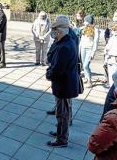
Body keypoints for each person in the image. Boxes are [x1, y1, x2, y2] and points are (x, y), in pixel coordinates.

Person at [45, 15, 79, 147]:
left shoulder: (64, 46)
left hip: (64, 85)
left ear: (59, 31)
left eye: (54, 29)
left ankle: (62, 139)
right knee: (65, 111)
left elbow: (57, 69)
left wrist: (49, 74)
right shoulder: (68, 40)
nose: (53, 32)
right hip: (66, 83)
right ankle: (60, 133)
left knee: (62, 113)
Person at [79, 15, 99, 88]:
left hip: (89, 49)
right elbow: (77, 30)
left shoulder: (95, 29)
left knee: (86, 65)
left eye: (85, 21)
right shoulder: (84, 28)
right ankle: (86, 78)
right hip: (82, 48)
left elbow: (96, 42)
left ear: (89, 21)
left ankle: (89, 81)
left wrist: (93, 52)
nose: (84, 22)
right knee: (83, 64)